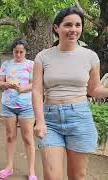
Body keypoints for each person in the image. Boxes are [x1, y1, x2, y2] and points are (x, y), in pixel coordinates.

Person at [33, 7, 108, 180]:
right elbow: (37, 91)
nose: (73, 29)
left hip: (80, 117)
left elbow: (94, 90)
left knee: (78, 176)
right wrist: (40, 121)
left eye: (78, 25)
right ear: (56, 28)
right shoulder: (43, 57)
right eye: (67, 25)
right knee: (52, 176)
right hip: (50, 119)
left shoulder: (90, 56)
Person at [0, 38, 36, 179]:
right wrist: (6, 84)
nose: (18, 55)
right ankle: (9, 167)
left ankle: (31, 171)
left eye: (21, 52)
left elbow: (35, 84)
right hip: (8, 105)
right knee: (10, 136)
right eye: (16, 52)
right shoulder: (6, 64)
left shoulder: (32, 64)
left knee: (28, 138)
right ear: (12, 51)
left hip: (27, 106)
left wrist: (24, 88)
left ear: (25, 52)